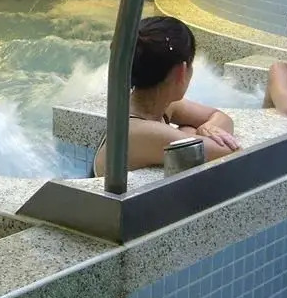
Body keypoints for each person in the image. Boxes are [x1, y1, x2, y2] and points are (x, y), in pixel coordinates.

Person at [92, 16, 240, 177]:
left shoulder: (160, 105)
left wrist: (206, 128)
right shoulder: (140, 132)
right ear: (182, 71)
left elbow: (220, 117)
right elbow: (230, 151)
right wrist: (193, 131)